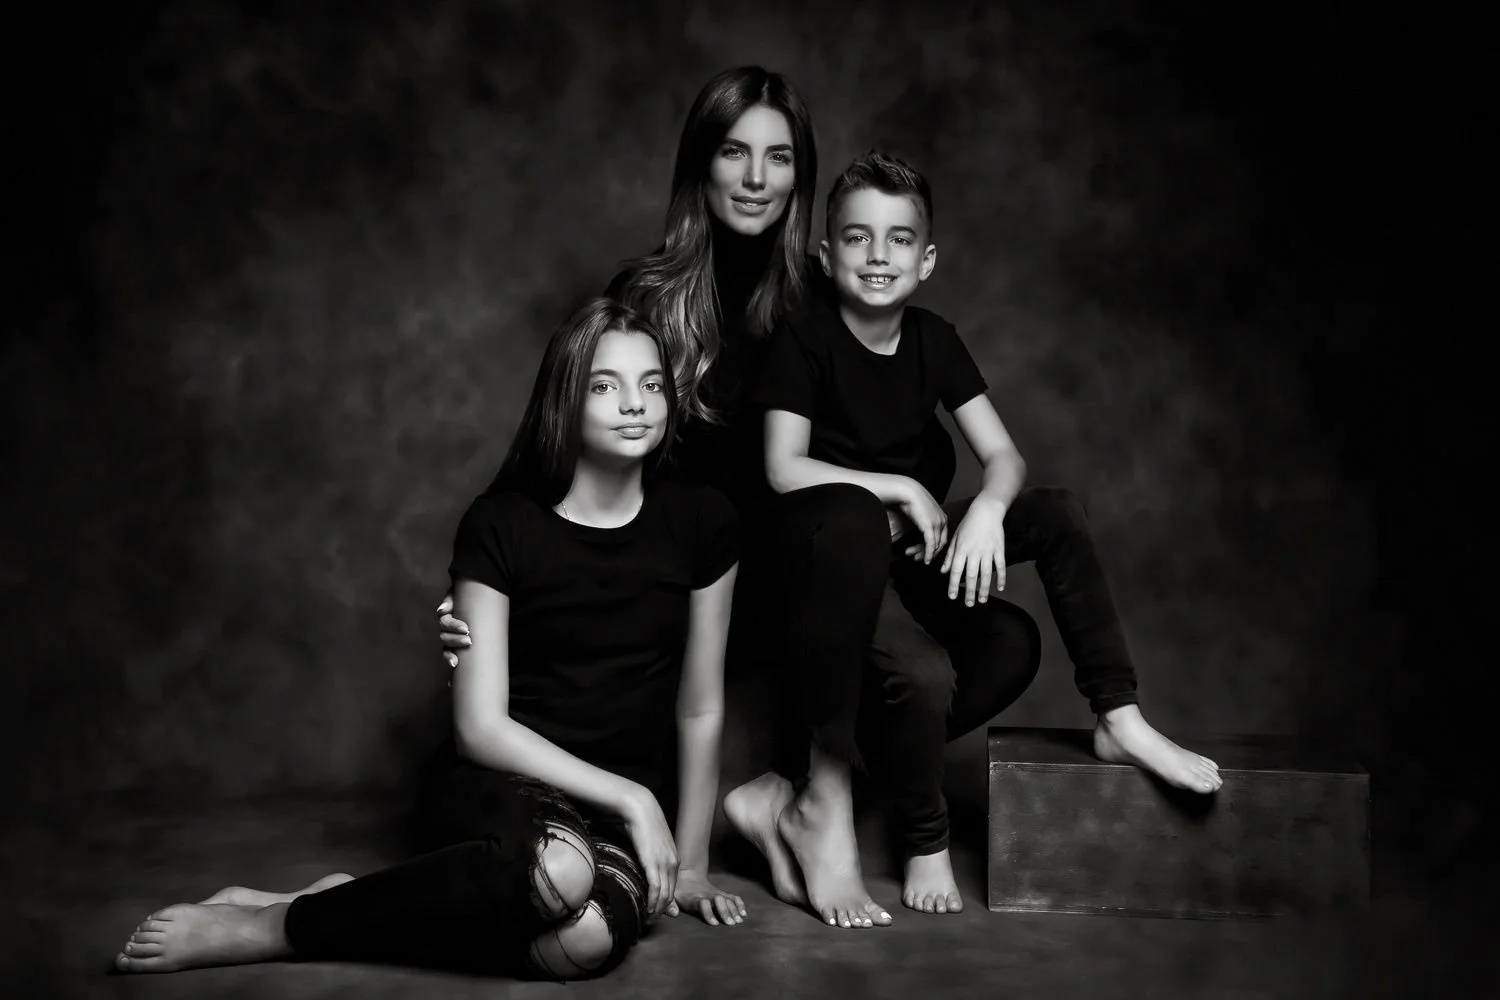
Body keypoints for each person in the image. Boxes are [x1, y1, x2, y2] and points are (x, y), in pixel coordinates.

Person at [437, 66, 1047, 930]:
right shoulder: (646, 295)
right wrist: (479, 583)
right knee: (906, 651)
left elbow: (910, 434)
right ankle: (804, 807)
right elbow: (565, 433)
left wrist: (951, 502)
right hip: (706, 589)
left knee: (1005, 643)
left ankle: (799, 794)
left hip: (832, 570)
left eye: (781, 157)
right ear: (702, 164)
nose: (757, 178)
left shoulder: (827, 289)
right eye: (735, 152)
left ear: (803, 173)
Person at [114, 299, 747, 982]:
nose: (635, 404)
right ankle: (279, 925)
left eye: (651, 384)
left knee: (584, 941)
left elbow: (700, 706)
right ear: (565, 397)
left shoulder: (703, 521)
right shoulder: (501, 524)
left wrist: (691, 864)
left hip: (619, 827)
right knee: (558, 868)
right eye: (605, 385)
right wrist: (635, 796)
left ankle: (350, 903)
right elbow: (479, 728)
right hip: (502, 787)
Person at [748, 150, 1225, 910]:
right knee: (928, 676)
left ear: (927, 259)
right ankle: (921, 833)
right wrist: (897, 485)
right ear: (826, 252)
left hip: (917, 560)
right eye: (858, 237)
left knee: (1042, 552)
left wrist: (991, 511)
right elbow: (782, 468)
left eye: (899, 239)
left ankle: (1119, 717)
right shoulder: (804, 340)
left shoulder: (934, 339)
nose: (878, 256)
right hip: (840, 581)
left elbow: (1003, 455)